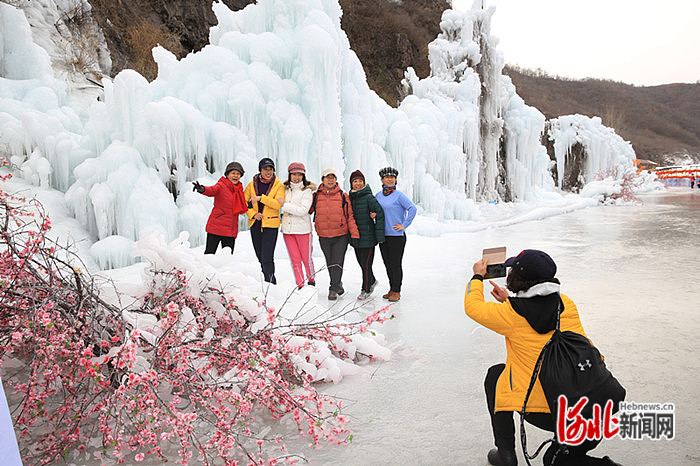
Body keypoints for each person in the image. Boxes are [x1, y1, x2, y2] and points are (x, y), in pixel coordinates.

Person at [464, 249, 621, 466]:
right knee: (561, 456)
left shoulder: (511, 315)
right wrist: (509, 301)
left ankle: (506, 455)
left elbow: (473, 307)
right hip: (599, 407)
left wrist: (477, 277)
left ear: (517, 279)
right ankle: (568, 449)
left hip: (558, 414)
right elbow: (538, 312)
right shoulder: (565, 303)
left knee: (495, 377)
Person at [309, 168, 360, 300]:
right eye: (327, 177)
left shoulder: (343, 196)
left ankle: (332, 288)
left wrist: (354, 234)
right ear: (323, 180)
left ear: (336, 180)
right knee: (330, 263)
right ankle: (338, 284)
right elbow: (307, 210)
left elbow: (350, 216)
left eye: (333, 177)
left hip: (340, 235)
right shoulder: (316, 196)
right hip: (324, 235)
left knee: (337, 262)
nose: (330, 180)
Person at [375, 166, 416, 302]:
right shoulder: (378, 196)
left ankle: (397, 290)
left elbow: (412, 208)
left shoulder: (399, 195)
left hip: (397, 236)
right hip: (383, 235)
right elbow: (375, 210)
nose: (390, 179)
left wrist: (404, 225)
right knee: (387, 263)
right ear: (382, 179)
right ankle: (391, 289)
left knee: (395, 264)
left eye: (392, 177)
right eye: (387, 177)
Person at [244, 157, 285, 284]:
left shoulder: (278, 186)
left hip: (270, 225)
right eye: (265, 169)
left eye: (270, 169)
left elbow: (278, 204)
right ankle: (267, 281)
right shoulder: (252, 185)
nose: (268, 172)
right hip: (255, 224)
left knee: (267, 257)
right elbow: (244, 203)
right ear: (260, 170)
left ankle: (271, 282)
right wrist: (253, 214)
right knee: (260, 256)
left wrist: (261, 198)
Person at [192, 161, 247, 254]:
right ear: (227, 174)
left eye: (238, 174)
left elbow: (242, 205)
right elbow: (212, 190)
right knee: (209, 254)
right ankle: (204, 269)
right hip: (216, 228)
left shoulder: (239, 189)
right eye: (233, 173)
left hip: (230, 230)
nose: (236, 176)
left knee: (227, 257)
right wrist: (202, 189)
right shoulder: (221, 185)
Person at [348, 170, 385, 300]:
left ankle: (366, 289)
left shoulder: (369, 197)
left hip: (368, 237)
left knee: (366, 264)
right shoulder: (350, 198)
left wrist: (379, 236)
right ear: (351, 184)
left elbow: (379, 214)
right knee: (361, 263)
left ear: (364, 183)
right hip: (356, 238)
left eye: (360, 181)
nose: (357, 184)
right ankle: (372, 280)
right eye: (355, 181)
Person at [280, 162, 317, 289]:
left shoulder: (307, 191)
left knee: (306, 258)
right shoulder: (284, 189)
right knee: (295, 260)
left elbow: (303, 210)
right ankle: (300, 284)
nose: (296, 177)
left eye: (299, 174)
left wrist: (284, 205)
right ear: (289, 175)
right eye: (294, 174)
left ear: (303, 176)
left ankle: (311, 279)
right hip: (287, 230)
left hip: (303, 230)